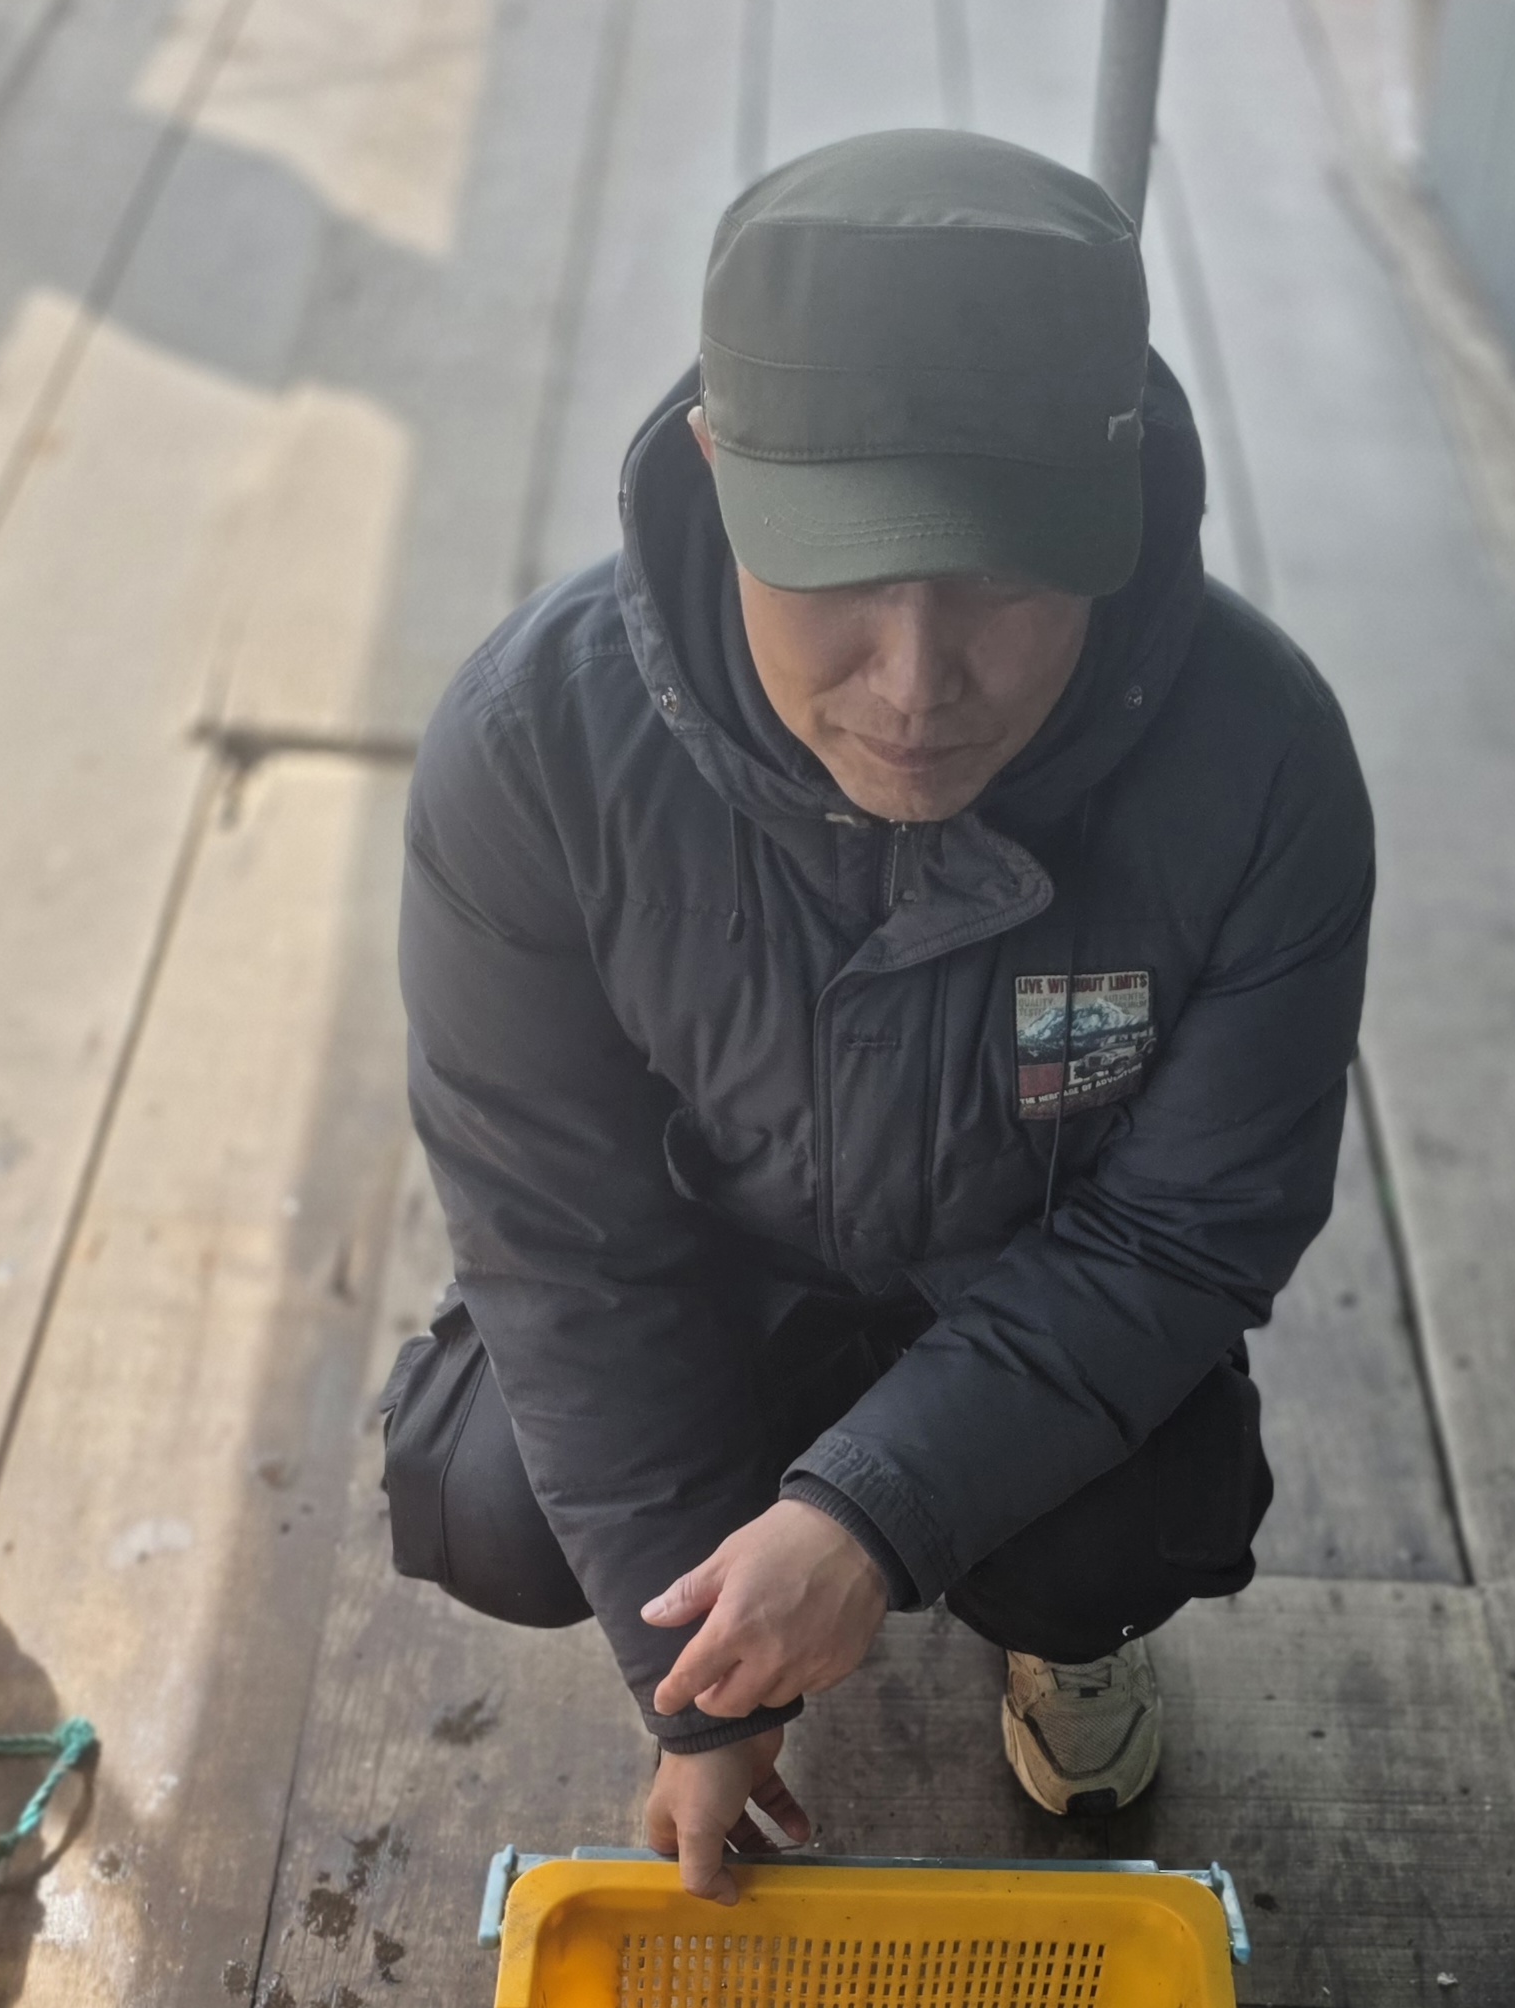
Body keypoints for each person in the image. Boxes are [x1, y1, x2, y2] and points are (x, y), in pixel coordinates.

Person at [384, 128, 1373, 1903]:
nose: (918, 686)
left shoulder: (1269, 765)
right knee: (494, 1496)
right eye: (839, 571)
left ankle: (1052, 1626)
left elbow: (1193, 1231)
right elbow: (559, 1236)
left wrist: (869, 1511)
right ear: (721, 469)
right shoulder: (531, 750)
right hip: (720, 1272)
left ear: (1114, 501)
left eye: (1004, 578)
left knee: (1120, 1533)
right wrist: (695, 1687)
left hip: (1033, 1275)